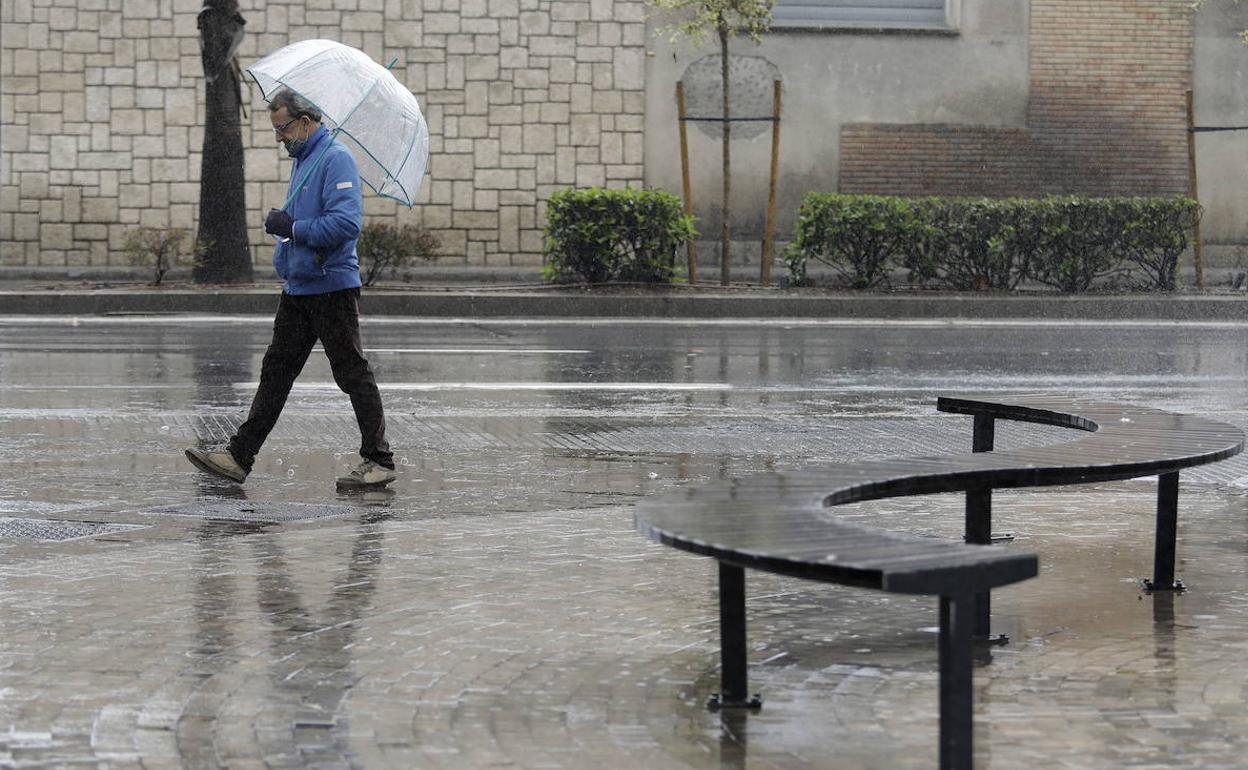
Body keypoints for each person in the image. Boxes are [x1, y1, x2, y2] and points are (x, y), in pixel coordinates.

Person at [186, 88, 397, 489]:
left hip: (330, 287)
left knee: (351, 373)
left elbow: (346, 226)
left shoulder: (336, 159)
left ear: (305, 121)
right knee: (275, 373)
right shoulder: (304, 161)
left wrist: (292, 227)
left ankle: (379, 460)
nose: (278, 136)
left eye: (282, 128)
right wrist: (288, 235)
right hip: (300, 287)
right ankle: (238, 457)